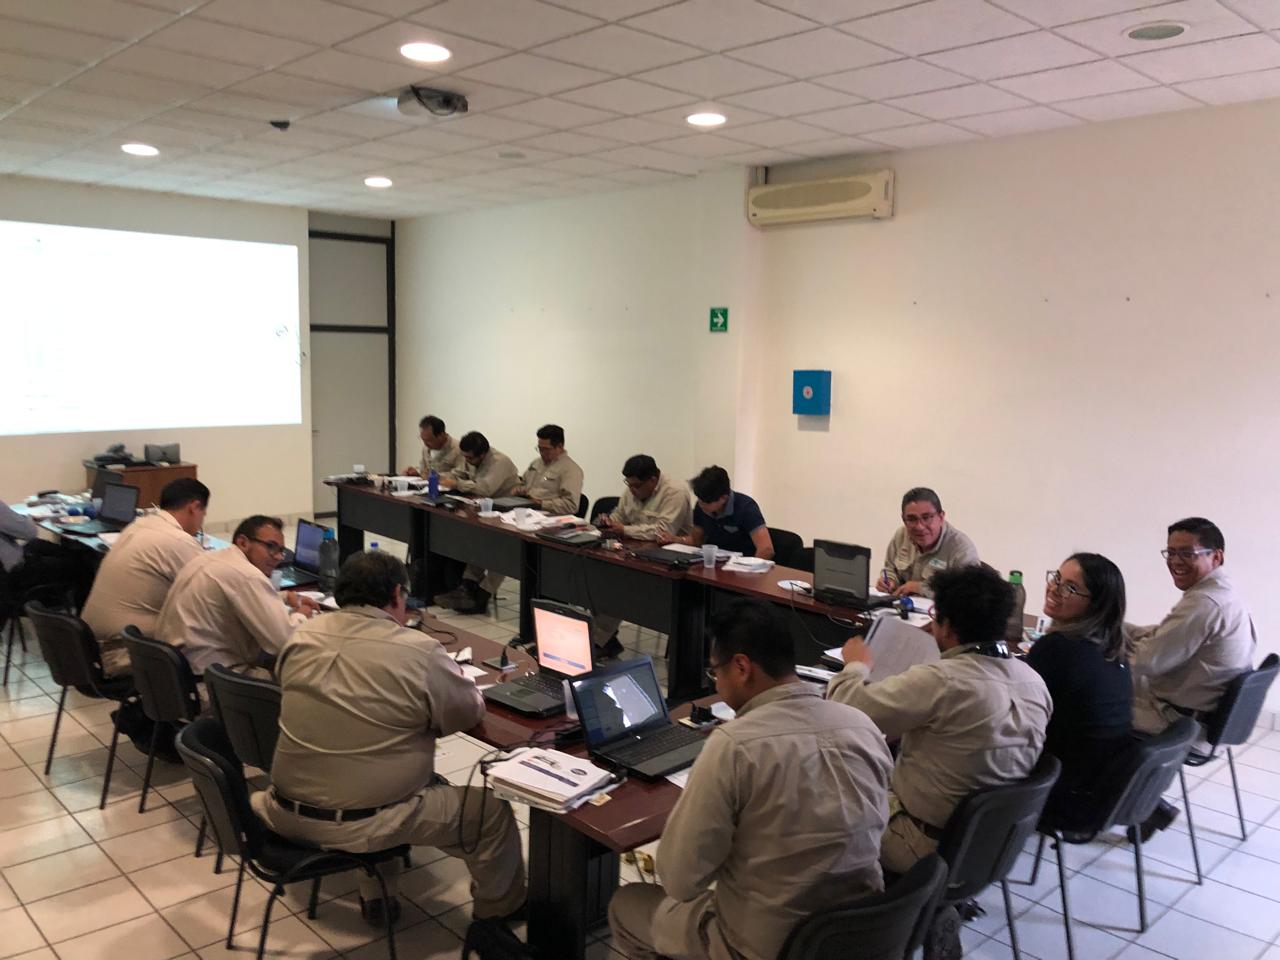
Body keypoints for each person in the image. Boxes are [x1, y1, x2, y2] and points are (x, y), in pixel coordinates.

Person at [253, 550, 526, 928]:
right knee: (491, 813)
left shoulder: (301, 635)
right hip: (362, 821)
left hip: (282, 808)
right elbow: (465, 713)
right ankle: (498, 916)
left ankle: (376, 894)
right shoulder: (417, 650)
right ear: (397, 594)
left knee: (370, 770)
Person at [608, 600, 892, 960]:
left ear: (741, 667)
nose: (716, 681)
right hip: (859, 935)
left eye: (715, 671)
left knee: (627, 903)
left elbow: (679, 881)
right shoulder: (862, 726)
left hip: (765, 947)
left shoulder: (734, 746)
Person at [828, 563, 1051, 877]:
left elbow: (845, 709)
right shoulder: (1035, 683)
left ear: (946, 626)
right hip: (991, 848)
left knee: (820, 792)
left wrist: (855, 665)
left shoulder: (944, 681)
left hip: (919, 846)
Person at [1127, 517, 1257, 839]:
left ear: (1216, 556)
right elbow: (1166, 636)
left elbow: (1145, 662)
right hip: (1209, 720)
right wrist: (1118, 627)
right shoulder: (1222, 593)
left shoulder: (1204, 603)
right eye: (1170, 552)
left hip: (1181, 723)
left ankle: (1137, 804)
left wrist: (1097, 650)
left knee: (1086, 705)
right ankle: (1144, 800)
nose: (1175, 561)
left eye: (1187, 553)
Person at [1025, 554, 1132, 830]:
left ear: (1095, 605)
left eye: (1070, 588)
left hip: (1056, 794)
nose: (1054, 588)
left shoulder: (1058, 649)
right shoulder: (1113, 649)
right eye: (1056, 578)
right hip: (1096, 794)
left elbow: (1016, 718)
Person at [153, 515, 317, 677]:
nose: (279, 557)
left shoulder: (209, 559)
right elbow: (284, 642)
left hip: (176, 675)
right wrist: (301, 615)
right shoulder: (247, 575)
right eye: (271, 547)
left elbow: (236, 597)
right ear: (243, 542)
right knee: (304, 676)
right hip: (213, 681)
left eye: (281, 550)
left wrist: (285, 597)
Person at [82, 478, 211, 677]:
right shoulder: (176, 540)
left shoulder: (138, 525)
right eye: (204, 513)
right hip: (119, 652)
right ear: (194, 507)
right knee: (214, 634)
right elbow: (213, 591)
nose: (202, 521)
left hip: (87, 648)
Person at [591, 455, 693, 655]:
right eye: (628, 484)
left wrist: (624, 530)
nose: (631, 490)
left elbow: (662, 531)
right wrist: (609, 522)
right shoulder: (633, 488)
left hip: (670, 560)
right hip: (637, 552)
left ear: (653, 480)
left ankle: (599, 640)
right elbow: (619, 516)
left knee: (618, 584)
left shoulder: (675, 492)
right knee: (595, 575)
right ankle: (604, 639)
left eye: (636, 486)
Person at [434, 432, 520, 615]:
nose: (466, 460)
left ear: (482, 454)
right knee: (477, 543)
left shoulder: (500, 462)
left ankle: (482, 595)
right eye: (464, 457)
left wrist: (456, 484)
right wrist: (439, 476)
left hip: (508, 515)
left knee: (501, 551)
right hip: (486, 513)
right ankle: (467, 587)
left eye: (470, 458)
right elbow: (458, 473)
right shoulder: (471, 458)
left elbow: (484, 489)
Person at [876, 487, 979, 599]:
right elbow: (890, 569)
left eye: (926, 518)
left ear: (941, 517)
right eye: (912, 519)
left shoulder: (962, 549)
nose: (919, 526)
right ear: (904, 520)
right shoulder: (901, 536)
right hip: (902, 606)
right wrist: (889, 581)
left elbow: (968, 595)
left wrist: (921, 588)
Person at [657, 465, 773, 559]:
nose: (701, 505)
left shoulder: (746, 507)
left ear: (723, 498)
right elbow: (696, 540)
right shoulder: (701, 506)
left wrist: (750, 571)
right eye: (699, 499)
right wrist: (675, 539)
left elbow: (766, 549)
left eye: (706, 502)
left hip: (741, 566)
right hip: (713, 563)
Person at [1, 497, 96, 609]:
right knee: (85, 568)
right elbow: (29, 532)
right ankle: (85, 615)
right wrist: (28, 519)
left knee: (37, 544)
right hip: (14, 572)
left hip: (7, 564)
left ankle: (54, 600)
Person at [512, 424, 583, 516]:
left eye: (546, 449)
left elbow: (571, 505)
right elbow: (523, 484)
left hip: (549, 516)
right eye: (539, 449)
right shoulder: (536, 463)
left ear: (560, 446)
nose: (542, 453)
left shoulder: (571, 470)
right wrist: (518, 490)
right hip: (526, 511)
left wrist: (541, 504)